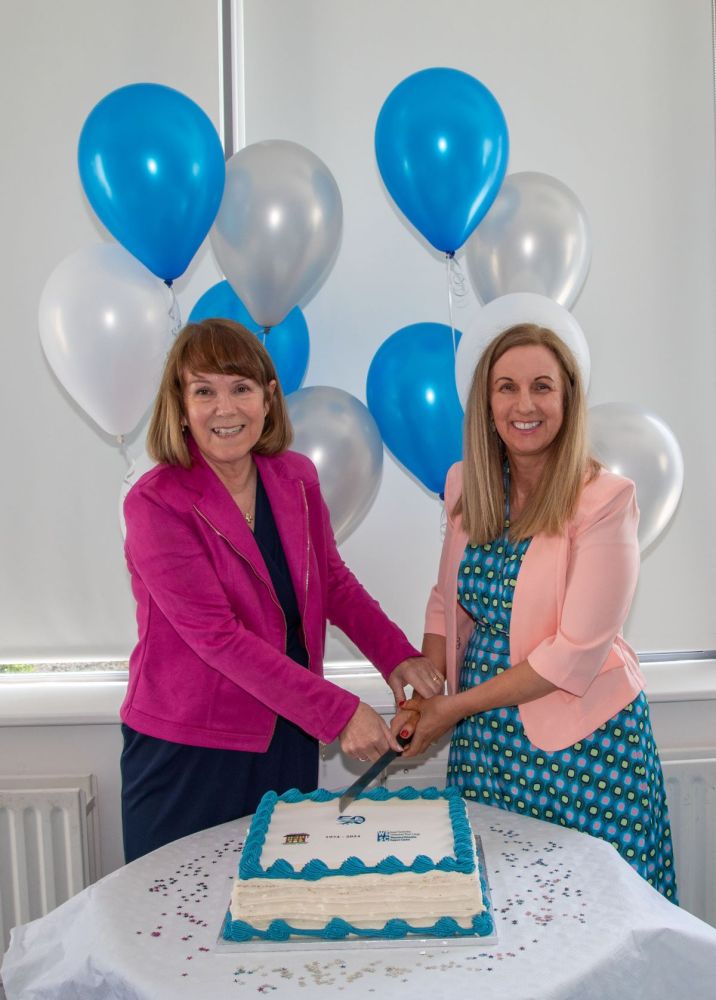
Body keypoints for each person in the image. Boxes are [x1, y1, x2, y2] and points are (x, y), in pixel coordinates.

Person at [120, 318, 441, 862]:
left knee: (279, 914)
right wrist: (339, 714)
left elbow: (332, 583)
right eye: (204, 391)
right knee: (180, 928)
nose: (225, 409)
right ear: (180, 404)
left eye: (241, 388)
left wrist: (399, 657)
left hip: (286, 736)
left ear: (269, 398)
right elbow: (218, 639)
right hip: (192, 749)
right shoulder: (155, 504)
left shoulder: (295, 477)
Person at [395, 323, 677, 900]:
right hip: (487, 746)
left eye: (542, 387)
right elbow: (447, 605)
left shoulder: (605, 499)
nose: (524, 404)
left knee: (594, 920)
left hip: (585, 745)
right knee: (500, 914)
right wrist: (424, 696)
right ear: (487, 403)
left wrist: (451, 709)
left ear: (568, 399)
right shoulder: (464, 484)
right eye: (507, 388)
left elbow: (572, 656)